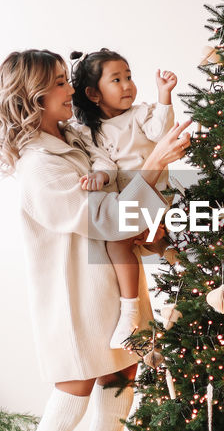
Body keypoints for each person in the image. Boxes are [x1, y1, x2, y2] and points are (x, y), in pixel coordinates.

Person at [0, 49, 192, 431]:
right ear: (35, 99)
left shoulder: (77, 139)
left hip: (117, 292)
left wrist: (148, 182)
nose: (70, 91)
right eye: (60, 84)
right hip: (76, 300)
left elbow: (125, 199)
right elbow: (105, 219)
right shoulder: (39, 167)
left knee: (116, 398)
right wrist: (154, 164)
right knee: (71, 400)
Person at [68, 48, 179, 349]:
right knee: (122, 242)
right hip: (132, 201)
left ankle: (177, 278)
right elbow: (104, 163)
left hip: (157, 196)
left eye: (129, 76)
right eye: (116, 80)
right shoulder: (94, 133)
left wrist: (164, 96)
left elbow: (161, 132)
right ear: (93, 94)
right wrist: (99, 178)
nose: (127, 84)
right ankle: (130, 312)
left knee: (133, 241)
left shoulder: (141, 114)